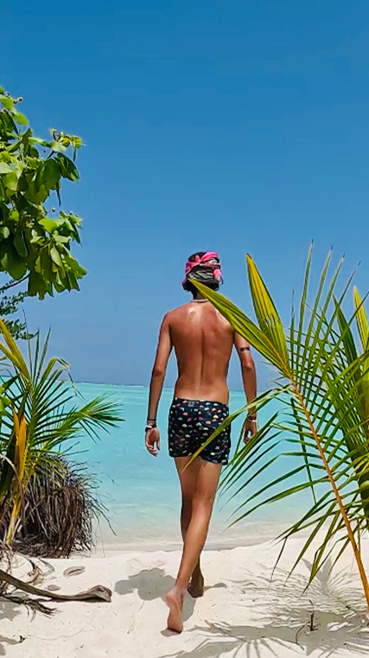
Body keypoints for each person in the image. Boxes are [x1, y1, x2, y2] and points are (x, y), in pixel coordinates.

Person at [145, 250, 257, 633]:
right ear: (217, 280)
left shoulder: (173, 318)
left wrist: (150, 421)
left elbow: (159, 369)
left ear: (189, 280)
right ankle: (179, 588)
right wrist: (252, 412)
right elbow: (247, 363)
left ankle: (195, 577)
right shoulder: (233, 319)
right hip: (213, 412)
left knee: (187, 501)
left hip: (180, 409)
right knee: (204, 505)